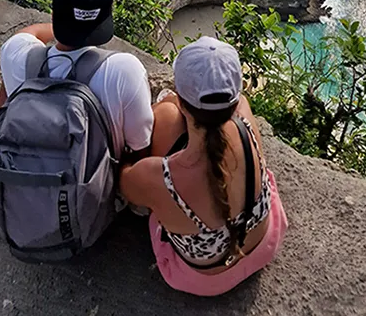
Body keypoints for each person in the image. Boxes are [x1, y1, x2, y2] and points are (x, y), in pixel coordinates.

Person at [0, 0, 153, 213]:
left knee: (10, 94)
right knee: (162, 111)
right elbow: (140, 145)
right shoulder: (123, 69)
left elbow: (27, 33)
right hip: (87, 196)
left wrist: (63, 23)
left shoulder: (15, 53)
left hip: (24, 179)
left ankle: (10, 189)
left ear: (54, 16)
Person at [120, 36, 288, 297]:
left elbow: (127, 185)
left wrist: (163, 109)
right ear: (235, 97)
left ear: (182, 100)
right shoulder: (244, 119)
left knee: (165, 115)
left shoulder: (160, 177)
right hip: (264, 244)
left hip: (203, 278)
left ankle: (170, 107)